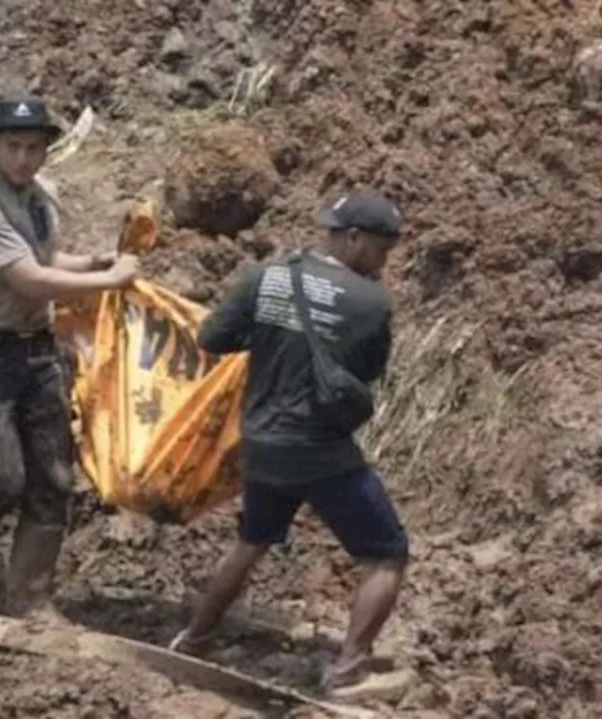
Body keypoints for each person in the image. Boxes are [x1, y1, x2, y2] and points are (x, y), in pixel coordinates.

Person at [168, 191, 409, 691]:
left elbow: (213, 339)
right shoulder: (371, 303)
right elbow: (367, 372)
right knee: (386, 552)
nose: (384, 263)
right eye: (382, 251)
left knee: (252, 541)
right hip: (320, 451)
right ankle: (348, 669)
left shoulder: (267, 276)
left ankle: (194, 638)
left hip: (261, 441)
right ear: (355, 238)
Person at [0, 94, 140, 616]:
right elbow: (28, 279)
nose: (24, 159)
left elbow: (46, 259)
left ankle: (30, 595)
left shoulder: (40, 197)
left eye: (34, 148)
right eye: (13, 147)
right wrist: (107, 280)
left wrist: (93, 261)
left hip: (33, 347)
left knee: (54, 476)